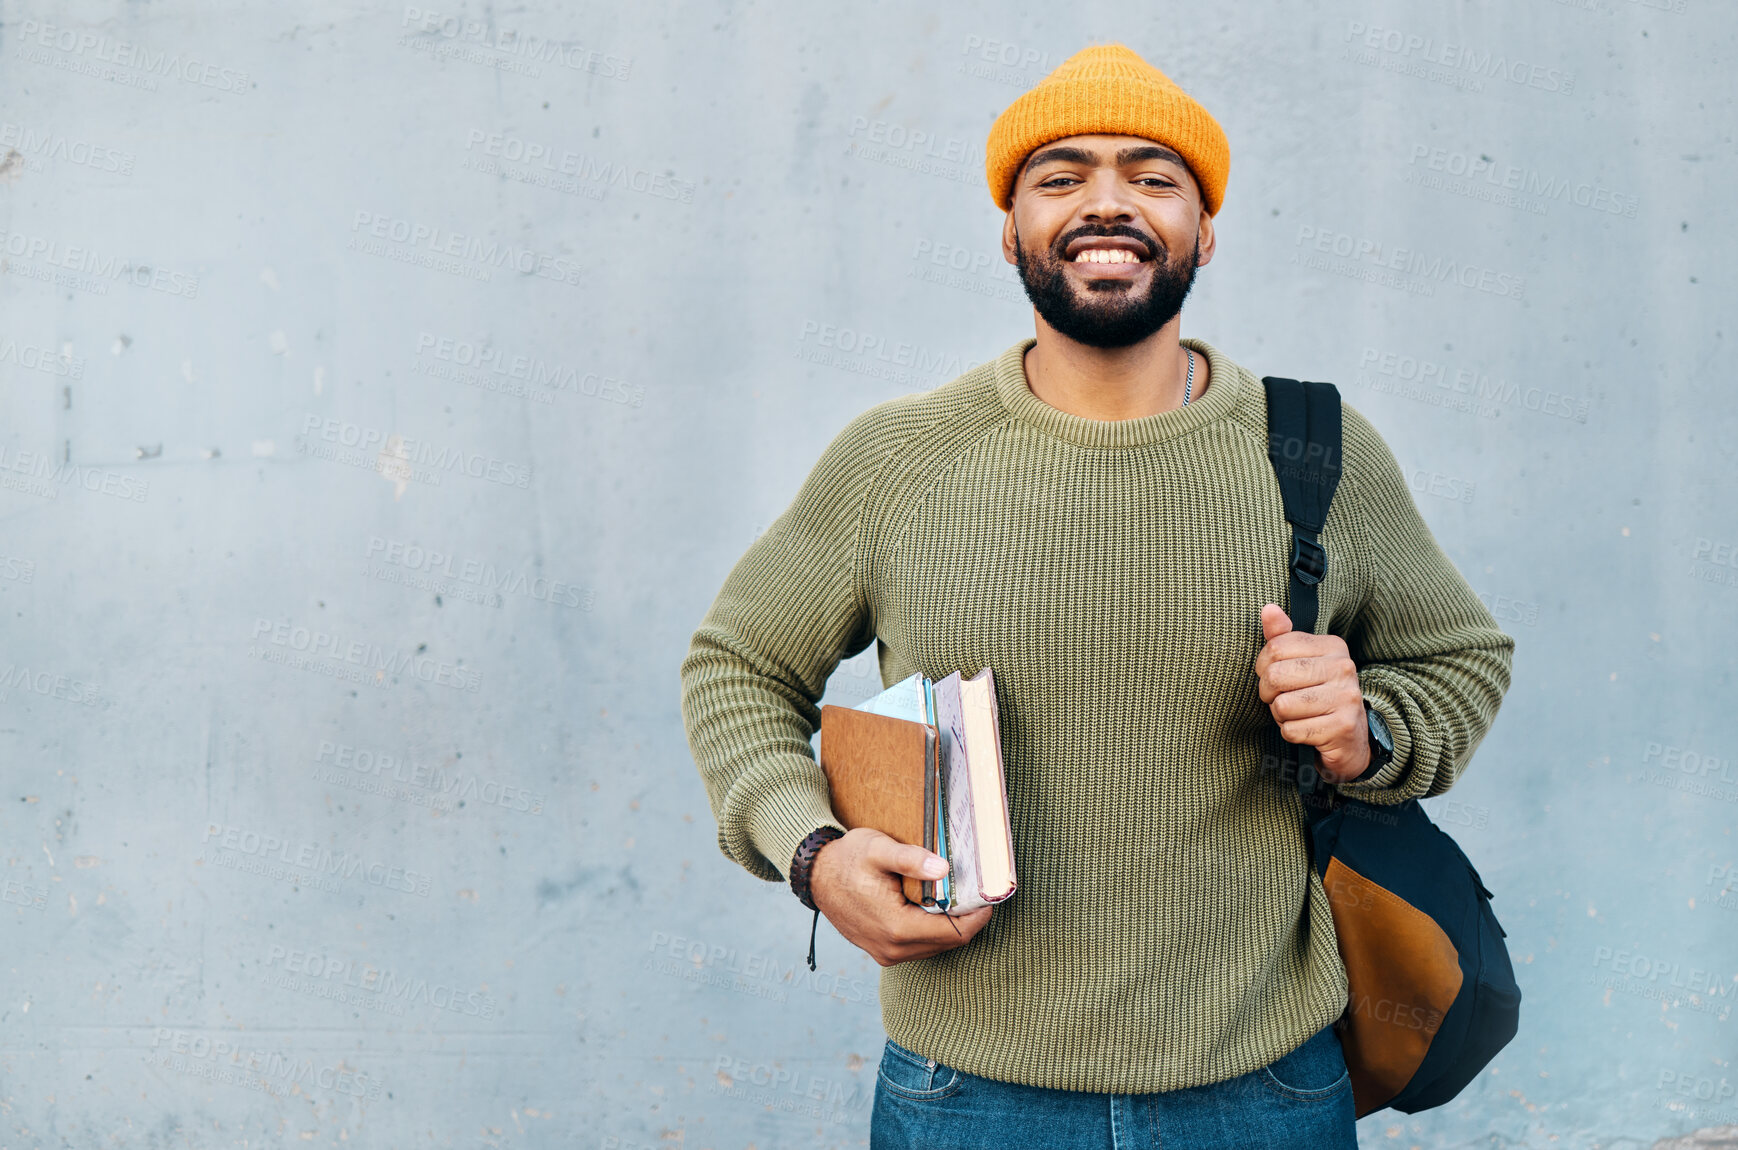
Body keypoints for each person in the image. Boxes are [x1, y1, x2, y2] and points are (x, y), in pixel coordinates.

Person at [680, 42, 1514, 1150]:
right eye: (1061, 176)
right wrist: (810, 851)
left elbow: (1460, 656)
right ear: (1010, 229)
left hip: (1262, 1091)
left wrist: (1371, 727)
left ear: (1205, 230)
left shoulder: (1316, 452)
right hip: (962, 1094)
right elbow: (736, 665)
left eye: (1153, 176)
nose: (1107, 202)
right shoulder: (894, 460)